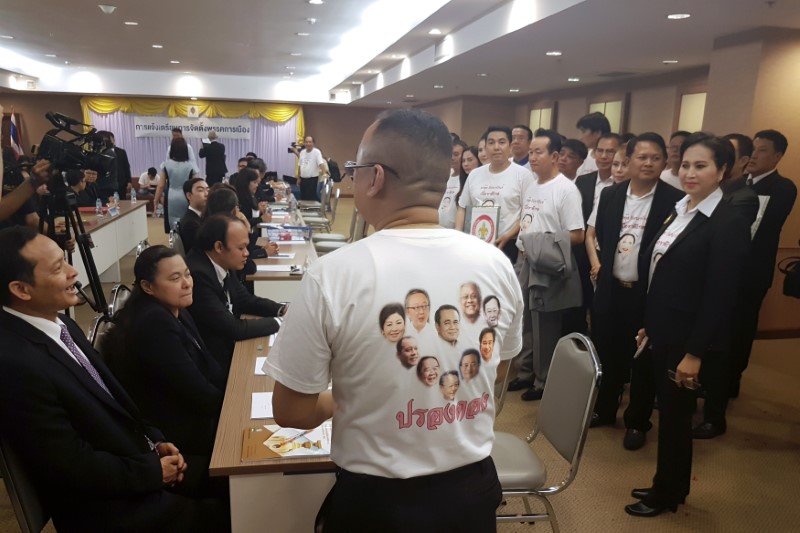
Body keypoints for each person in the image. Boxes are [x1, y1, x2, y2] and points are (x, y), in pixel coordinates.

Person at [264, 108, 524, 531]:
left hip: (377, 503)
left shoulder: (334, 274)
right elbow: (499, 366)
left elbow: (292, 410)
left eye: (355, 169)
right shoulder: (496, 264)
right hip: (471, 494)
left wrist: (355, 395)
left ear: (376, 177)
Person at [0, 227, 227, 532]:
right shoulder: (15, 362)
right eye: (58, 268)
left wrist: (156, 440)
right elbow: (69, 464)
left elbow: (117, 398)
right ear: (22, 289)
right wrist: (151, 471)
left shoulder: (60, 322)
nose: (73, 272)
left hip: (136, 464)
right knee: (243, 507)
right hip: (112, 507)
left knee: (238, 478)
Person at [625, 133, 750, 518]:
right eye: (686, 165)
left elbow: (720, 296)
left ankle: (667, 494)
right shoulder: (679, 210)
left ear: (722, 170)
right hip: (663, 329)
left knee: (677, 419)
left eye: (702, 166)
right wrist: (649, 324)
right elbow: (661, 272)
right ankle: (668, 484)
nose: (690, 173)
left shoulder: (727, 220)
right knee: (671, 416)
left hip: (688, 339)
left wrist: (695, 353)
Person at [101, 245, 228, 500]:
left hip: (189, 414)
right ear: (148, 287)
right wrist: (238, 407)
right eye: (175, 278)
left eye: (188, 274)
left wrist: (240, 389)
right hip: (174, 435)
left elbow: (210, 367)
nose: (187, 283)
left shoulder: (176, 309)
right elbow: (199, 395)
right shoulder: (153, 323)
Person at [589, 133, 683, 433]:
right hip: (612, 289)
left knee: (643, 362)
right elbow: (602, 236)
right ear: (628, 161)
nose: (648, 163)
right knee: (607, 354)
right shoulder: (611, 195)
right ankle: (604, 410)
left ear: (665, 162)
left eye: (656, 158)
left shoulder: (674, 200)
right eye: (642, 157)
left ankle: (637, 422)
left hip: (647, 295)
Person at [514, 129, 585, 401]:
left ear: (555, 156)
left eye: (538, 152)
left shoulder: (566, 190)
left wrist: (541, 244)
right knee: (525, 321)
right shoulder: (533, 184)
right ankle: (526, 373)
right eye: (530, 152)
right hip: (524, 260)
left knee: (545, 326)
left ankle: (543, 382)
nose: (532, 157)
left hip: (547, 264)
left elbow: (577, 234)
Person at [728, 129, 797, 398]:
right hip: (726, 270)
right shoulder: (735, 183)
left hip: (752, 273)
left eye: (763, 150)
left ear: (778, 156)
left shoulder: (783, 187)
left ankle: (731, 382)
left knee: (741, 330)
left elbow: (764, 227)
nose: (754, 155)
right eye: (752, 149)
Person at [186, 214, 285, 373]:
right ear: (219, 247)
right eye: (241, 248)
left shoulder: (221, 261)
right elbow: (234, 329)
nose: (247, 253)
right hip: (214, 362)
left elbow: (244, 299)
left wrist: (282, 310)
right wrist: (281, 322)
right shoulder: (198, 275)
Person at [456, 126, 533, 263]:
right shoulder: (475, 174)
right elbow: (463, 207)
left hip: (508, 243)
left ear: (510, 147)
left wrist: (508, 235)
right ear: (485, 147)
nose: (496, 147)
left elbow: (528, 213)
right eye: (491, 143)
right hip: (477, 242)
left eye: (502, 142)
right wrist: (458, 235)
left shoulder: (523, 175)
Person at [155, 137, 196, 233]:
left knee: (172, 224)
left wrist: (156, 199)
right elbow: (195, 184)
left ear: (172, 149)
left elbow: (161, 185)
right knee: (186, 223)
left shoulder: (166, 164)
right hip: (187, 197)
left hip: (171, 197)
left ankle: (173, 242)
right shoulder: (191, 166)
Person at [438, 140, 467, 228]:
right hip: (439, 229)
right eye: (450, 154)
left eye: (456, 154)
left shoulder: (467, 178)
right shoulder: (446, 175)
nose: (452, 157)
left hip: (456, 231)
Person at [575, 111, 611, 176]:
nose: (580, 137)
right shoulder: (584, 156)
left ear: (597, 133)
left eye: (583, 131)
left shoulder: (610, 160)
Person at [178, 178, 209, 253]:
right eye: (201, 190)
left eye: (208, 190)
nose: (207, 194)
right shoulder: (190, 223)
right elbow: (202, 251)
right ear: (189, 196)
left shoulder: (203, 215)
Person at [292, 135, 327, 201]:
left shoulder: (317, 152)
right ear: (304, 143)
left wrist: (325, 174)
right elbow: (300, 165)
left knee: (310, 199)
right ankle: (304, 211)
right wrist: (298, 178)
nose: (308, 144)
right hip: (303, 180)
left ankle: (311, 211)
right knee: (303, 197)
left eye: (310, 142)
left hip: (312, 180)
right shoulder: (302, 152)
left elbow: (321, 164)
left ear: (313, 143)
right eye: (306, 142)